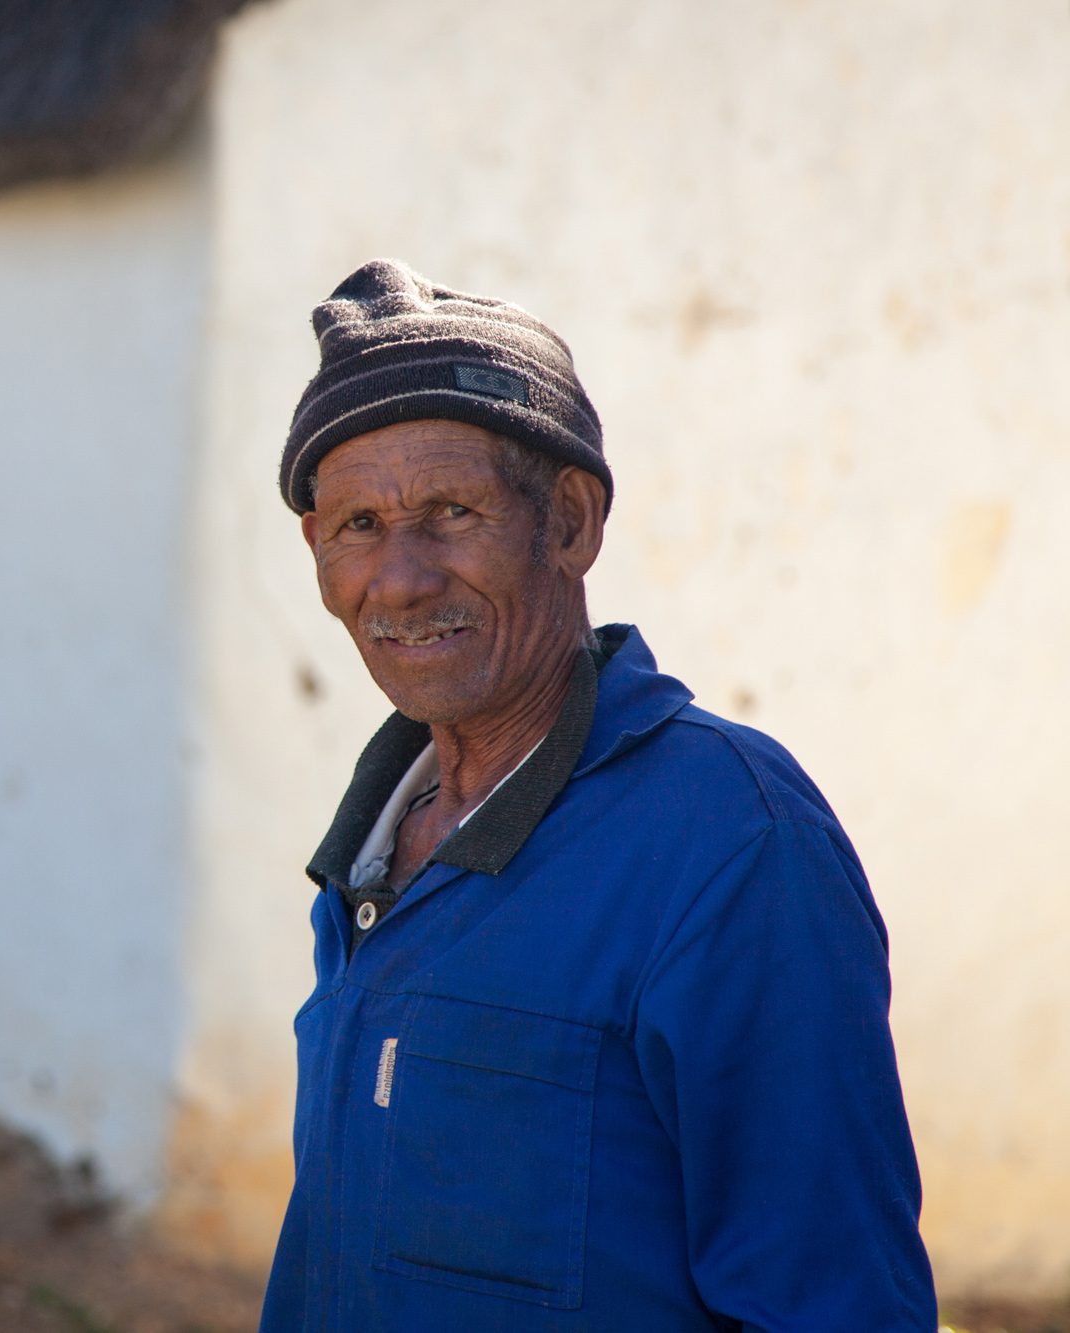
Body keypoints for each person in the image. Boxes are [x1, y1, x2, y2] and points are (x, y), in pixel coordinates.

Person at [260, 261, 936, 1330]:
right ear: (315, 551)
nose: (400, 578)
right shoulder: (373, 855)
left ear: (570, 522)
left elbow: (833, 1302)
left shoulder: (734, 843)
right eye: (357, 525)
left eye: (450, 511)